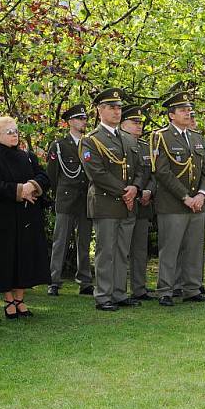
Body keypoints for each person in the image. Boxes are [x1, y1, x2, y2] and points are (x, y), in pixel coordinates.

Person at [79, 88, 146, 311]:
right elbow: (96, 173)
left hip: (127, 203)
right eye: (111, 107)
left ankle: (119, 293)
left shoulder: (127, 138)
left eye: (118, 108)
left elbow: (139, 168)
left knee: (121, 251)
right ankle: (103, 295)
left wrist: (135, 187)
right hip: (106, 203)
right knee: (106, 252)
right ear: (100, 111)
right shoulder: (91, 140)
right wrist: (125, 192)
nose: (117, 112)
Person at [0, 116, 51, 318]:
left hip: (28, 215)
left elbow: (44, 177)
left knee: (25, 257)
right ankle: (8, 300)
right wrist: (21, 191)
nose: (14, 135)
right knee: (7, 258)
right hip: (4, 216)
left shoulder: (27, 156)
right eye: (9, 131)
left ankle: (20, 299)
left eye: (16, 131)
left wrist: (32, 186)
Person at [151, 92, 205, 306]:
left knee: (194, 248)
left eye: (189, 109)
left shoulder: (197, 138)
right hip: (173, 204)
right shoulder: (161, 137)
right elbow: (162, 172)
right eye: (182, 110)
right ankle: (166, 290)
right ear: (171, 115)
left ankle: (192, 288)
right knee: (170, 249)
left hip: (197, 203)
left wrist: (201, 195)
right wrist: (185, 197)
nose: (188, 113)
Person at [46, 104, 94, 297]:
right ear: (71, 122)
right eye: (80, 119)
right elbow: (52, 175)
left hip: (86, 199)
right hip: (66, 199)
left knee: (84, 241)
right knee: (61, 242)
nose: (84, 122)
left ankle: (85, 281)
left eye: (84, 119)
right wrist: (57, 196)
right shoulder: (59, 146)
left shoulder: (90, 143)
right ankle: (54, 281)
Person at [119, 104, 155, 302]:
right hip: (123, 202)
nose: (139, 126)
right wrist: (131, 191)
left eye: (140, 123)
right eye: (135, 122)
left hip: (143, 203)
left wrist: (147, 190)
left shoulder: (145, 146)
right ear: (123, 124)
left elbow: (153, 173)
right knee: (120, 250)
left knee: (140, 250)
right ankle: (118, 290)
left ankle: (139, 288)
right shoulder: (117, 144)